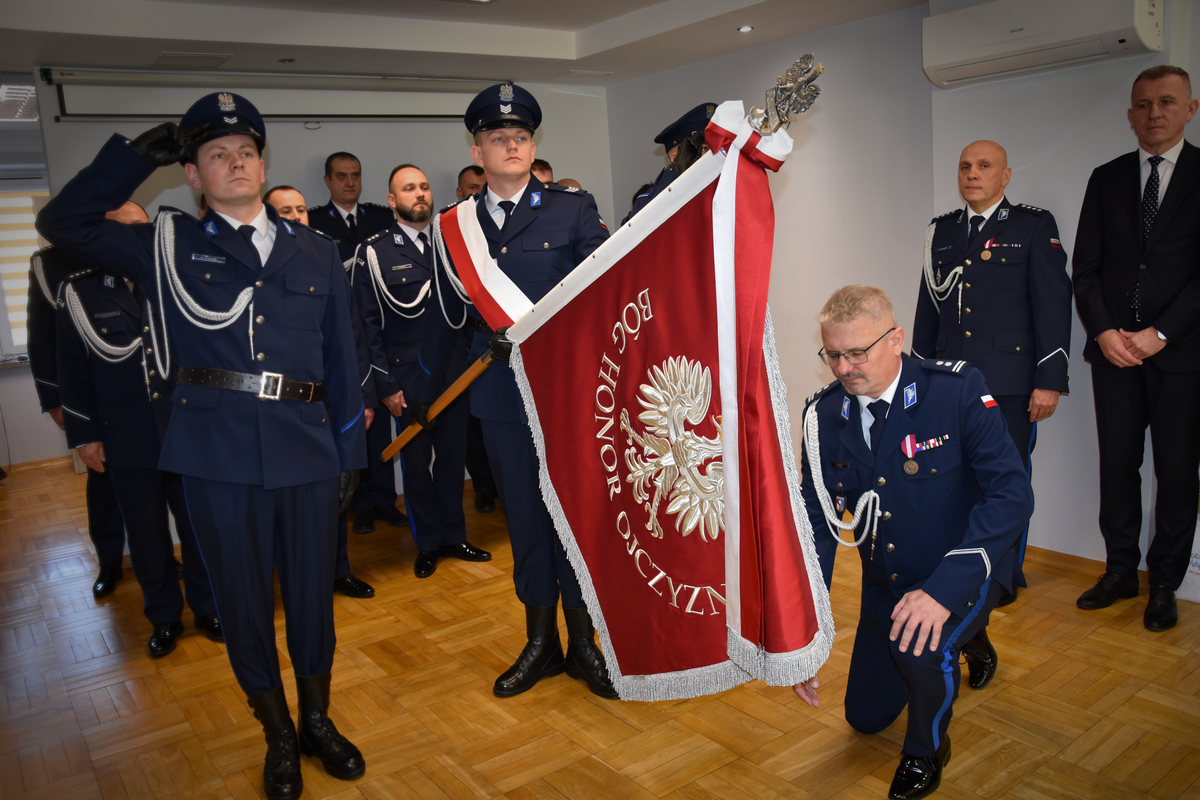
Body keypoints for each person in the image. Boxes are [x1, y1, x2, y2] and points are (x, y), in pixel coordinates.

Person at [37, 91, 368, 800]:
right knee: (243, 603)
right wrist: (131, 158)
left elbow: (340, 357)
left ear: (262, 161)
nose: (235, 162)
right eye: (216, 154)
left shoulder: (314, 248)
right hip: (213, 454)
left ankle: (317, 719)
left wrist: (350, 454)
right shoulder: (163, 245)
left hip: (306, 448)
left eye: (245, 150)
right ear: (192, 175)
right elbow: (58, 221)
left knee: (312, 598)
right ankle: (276, 732)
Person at [419, 83, 616, 699]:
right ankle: (541, 643)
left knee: (575, 516)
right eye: (498, 137)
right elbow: (448, 318)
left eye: (522, 135)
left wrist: (536, 331)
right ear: (476, 150)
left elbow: (599, 297)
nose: (511, 144)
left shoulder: (573, 210)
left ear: (533, 145)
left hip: (568, 390)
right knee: (526, 519)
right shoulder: (453, 226)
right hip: (501, 395)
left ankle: (584, 641)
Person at [796, 286, 1032, 800]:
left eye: (858, 352)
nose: (843, 367)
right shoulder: (823, 418)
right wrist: (804, 635)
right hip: (890, 583)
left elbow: (1012, 496)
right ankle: (965, 638)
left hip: (962, 571)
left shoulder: (957, 391)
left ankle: (928, 749)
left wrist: (945, 593)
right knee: (865, 718)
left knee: (923, 650)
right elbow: (814, 527)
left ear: (896, 339)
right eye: (833, 354)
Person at [910, 139, 1072, 687]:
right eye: (964, 166)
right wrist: (919, 382)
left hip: (1007, 388)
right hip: (951, 388)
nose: (972, 174)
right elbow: (928, 314)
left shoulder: (1031, 226)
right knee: (950, 489)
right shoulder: (943, 231)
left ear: (1005, 175)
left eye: (983, 166)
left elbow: (1053, 305)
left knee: (1004, 491)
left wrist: (1049, 380)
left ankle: (990, 593)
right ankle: (965, 590)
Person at [55, 201, 221, 656]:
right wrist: (84, 435)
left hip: (186, 429)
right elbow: (71, 368)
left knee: (197, 526)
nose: (135, 240)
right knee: (146, 534)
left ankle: (207, 607)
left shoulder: (176, 281)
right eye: (122, 232)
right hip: (126, 433)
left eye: (141, 230)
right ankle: (164, 616)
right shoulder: (79, 292)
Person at [1073, 65, 1200, 632]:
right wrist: (1104, 332)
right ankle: (1121, 570)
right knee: (1118, 467)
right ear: (1130, 115)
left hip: (1181, 355)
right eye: (1144, 104)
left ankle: (1165, 583)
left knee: (1175, 472)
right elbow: (1087, 269)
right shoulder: (1106, 178)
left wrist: (1160, 333)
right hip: (1114, 355)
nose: (1154, 113)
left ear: (1189, 109)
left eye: (1167, 102)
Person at [350, 164, 491, 578]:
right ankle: (427, 543)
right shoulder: (375, 252)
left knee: (452, 460)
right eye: (409, 189)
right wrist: (385, 386)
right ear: (392, 201)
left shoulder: (453, 243)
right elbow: (367, 326)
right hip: (406, 377)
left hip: (453, 371)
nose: (420, 194)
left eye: (424, 187)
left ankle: (453, 536)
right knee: (416, 465)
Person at [265, 184, 380, 598]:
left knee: (333, 496)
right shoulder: (264, 269)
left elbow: (349, 335)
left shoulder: (323, 258)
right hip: (283, 406)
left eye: (300, 209)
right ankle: (293, 578)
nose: (296, 216)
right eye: (285, 211)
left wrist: (360, 400)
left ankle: (337, 569)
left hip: (329, 399)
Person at [28, 244, 127, 599]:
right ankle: (110, 560)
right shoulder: (51, 263)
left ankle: (158, 556)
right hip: (92, 394)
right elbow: (42, 337)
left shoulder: (137, 251)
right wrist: (56, 402)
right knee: (103, 482)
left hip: (142, 398)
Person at [453, 164, 499, 513]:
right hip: (468, 340)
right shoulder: (453, 231)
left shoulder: (497, 224)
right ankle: (484, 485)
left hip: (501, 338)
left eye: (479, 188)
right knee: (472, 425)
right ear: (459, 193)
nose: (474, 194)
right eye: (469, 188)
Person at [622, 102, 715, 224]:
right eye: (704, 149)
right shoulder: (652, 199)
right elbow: (630, 231)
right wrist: (674, 173)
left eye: (716, 148)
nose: (713, 155)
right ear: (676, 158)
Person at [307, 151, 394, 264]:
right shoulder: (313, 222)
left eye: (355, 175)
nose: (350, 182)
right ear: (328, 181)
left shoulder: (382, 218)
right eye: (341, 176)